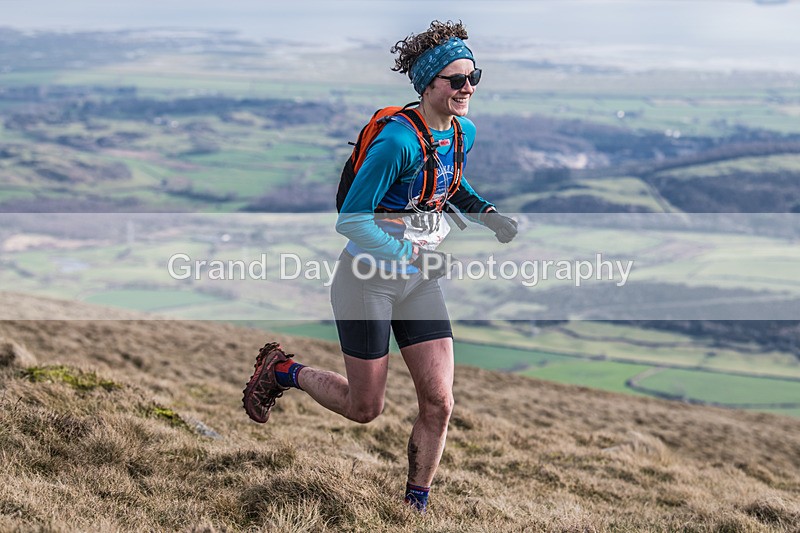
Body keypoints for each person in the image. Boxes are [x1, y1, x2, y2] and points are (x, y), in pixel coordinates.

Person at [242, 20, 518, 513]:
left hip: (419, 283)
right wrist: (404, 254)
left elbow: (447, 185)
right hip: (366, 281)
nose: (468, 87)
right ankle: (282, 369)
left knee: (440, 403)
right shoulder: (397, 143)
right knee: (365, 408)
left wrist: (488, 215)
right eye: (456, 80)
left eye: (474, 76)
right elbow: (352, 220)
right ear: (428, 85)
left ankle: (414, 509)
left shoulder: (462, 132)